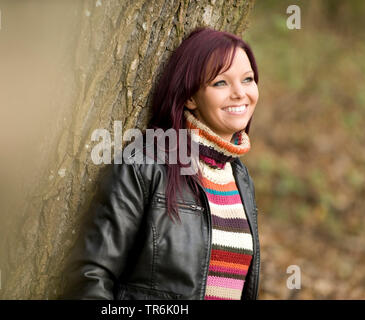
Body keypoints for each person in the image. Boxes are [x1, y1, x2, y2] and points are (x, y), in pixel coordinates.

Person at [61, 27, 260, 300]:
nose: (240, 93)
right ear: (190, 97)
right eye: (220, 83)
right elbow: (91, 274)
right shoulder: (147, 163)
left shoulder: (239, 176)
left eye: (247, 79)